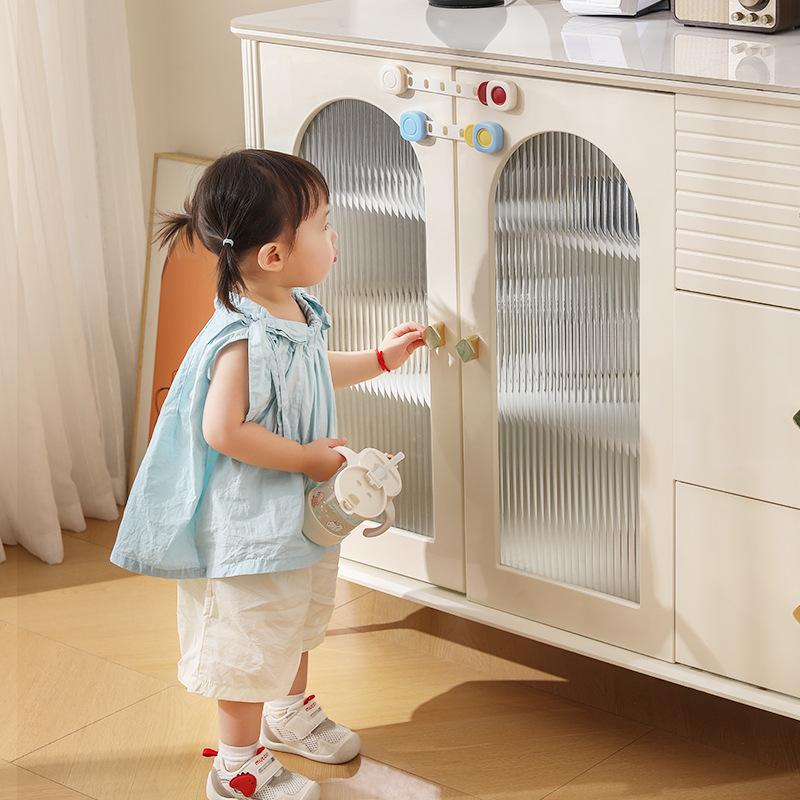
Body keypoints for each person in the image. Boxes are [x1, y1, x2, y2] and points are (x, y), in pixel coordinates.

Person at [110, 149, 426, 800]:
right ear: (276, 255)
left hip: (295, 515)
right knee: (249, 639)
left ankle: (287, 714)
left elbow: (311, 367)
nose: (334, 235)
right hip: (249, 525)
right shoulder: (240, 338)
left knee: (294, 617)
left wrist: (378, 359)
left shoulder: (295, 311)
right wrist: (308, 458)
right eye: (323, 225)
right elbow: (224, 430)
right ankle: (236, 767)